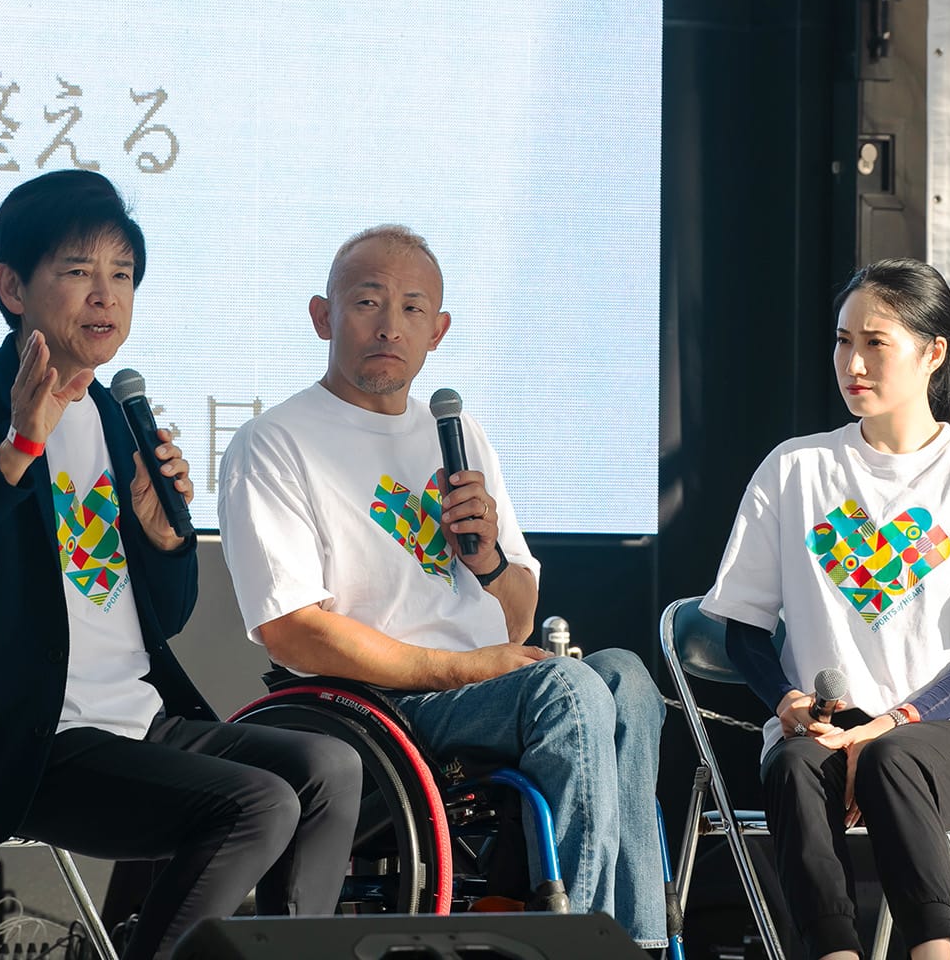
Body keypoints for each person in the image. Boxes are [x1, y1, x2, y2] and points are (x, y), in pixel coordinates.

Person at [0, 170, 361, 959]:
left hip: (137, 723)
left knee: (330, 767)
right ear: (12, 287)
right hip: (27, 744)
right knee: (258, 804)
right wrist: (17, 451)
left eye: (123, 275)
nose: (106, 295)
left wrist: (165, 539)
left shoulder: (118, 420)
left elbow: (164, 619)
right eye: (78, 271)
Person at [216, 224, 669, 951]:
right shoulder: (273, 441)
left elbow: (517, 621)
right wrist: (463, 668)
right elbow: (291, 630)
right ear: (323, 317)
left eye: (413, 308)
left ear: (439, 331)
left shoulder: (460, 436)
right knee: (570, 689)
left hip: (487, 690)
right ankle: (577, 946)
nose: (389, 326)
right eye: (368, 302)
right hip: (379, 706)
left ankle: (635, 941)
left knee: (628, 679)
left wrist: (487, 561)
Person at [701, 259, 950, 960]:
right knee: (792, 767)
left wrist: (890, 724)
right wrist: (787, 702)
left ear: (933, 353)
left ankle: (935, 951)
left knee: (892, 758)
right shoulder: (795, 468)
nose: (853, 363)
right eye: (842, 341)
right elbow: (743, 630)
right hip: (827, 736)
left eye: (875, 343)